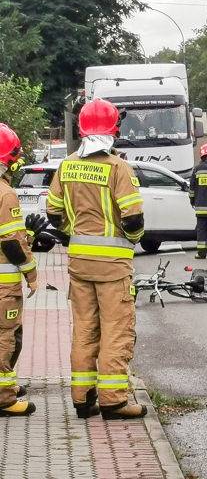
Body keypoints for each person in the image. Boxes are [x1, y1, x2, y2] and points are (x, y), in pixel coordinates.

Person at [46, 98, 147, 420]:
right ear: (114, 130)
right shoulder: (118, 167)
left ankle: (82, 399)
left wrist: (72, 237)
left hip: (78, 264)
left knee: (85, 329)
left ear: (82, 130)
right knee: (116, 329)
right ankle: (114, 401)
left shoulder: (67, 166)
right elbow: (133, 220)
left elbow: (52, 213)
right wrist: (130, 242)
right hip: (113, 266)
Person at [0, 124, 38, 416]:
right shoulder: (5, 193)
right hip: (3, 283)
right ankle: (4, 398)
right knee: (6, 336)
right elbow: (12, 243)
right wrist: (32, 273)